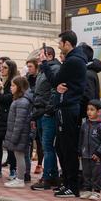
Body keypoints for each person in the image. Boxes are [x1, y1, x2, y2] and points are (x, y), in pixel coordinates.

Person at [52, 31, 88, 198]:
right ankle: (67, 183)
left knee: (68, 148)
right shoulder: (75, 59)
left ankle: (72, 186)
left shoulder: (73, 60)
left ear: (67, 44)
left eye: (60, 43)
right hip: (66, 107)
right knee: (60, 146)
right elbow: (58, 82)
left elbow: (55, 79)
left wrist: (45, 65)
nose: (59, 46)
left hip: (69, 108)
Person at [31, 46, 61, 191]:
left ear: (48, 55)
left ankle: (47, 177)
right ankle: (53, 175)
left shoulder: (54, 69)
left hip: (47, 114)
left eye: (40, 55)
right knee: (45, 146)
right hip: (40, 113)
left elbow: (54, 90)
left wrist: (47, 110)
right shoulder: (43, 70)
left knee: (48, 146)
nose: (37, 57)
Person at [3, 76, 34, 188]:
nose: (11, 88)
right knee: (19, 156)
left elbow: (19, 122)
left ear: (19, 87)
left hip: (20, 134)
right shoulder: (19, 100)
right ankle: (19, 177)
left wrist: (14, 137)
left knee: (20, 156)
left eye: (13, 85)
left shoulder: (22, 102)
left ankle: (20, 179)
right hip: (19, 134)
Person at [79, 99, 101, 200]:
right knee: (86, 173)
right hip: (85, 155)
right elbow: (81, 139)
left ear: (99, 112)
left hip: (97, 157)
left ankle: (96, 192)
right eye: (88, 109)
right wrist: (80, 150)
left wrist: (98, 153)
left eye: (92, 110)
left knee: (96, 174)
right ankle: (87, 190)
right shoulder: (84, 124)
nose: (89, 112)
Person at [24, 58, 42, 176]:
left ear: (36, 67)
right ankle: (27, 165)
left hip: (38, 111)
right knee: (28, 139)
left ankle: (40, 163)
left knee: (39, 140)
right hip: (28, 110)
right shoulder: (27, 78)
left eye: (30, 66)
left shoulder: (40, 78)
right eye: (28, 66)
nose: (28, 69)